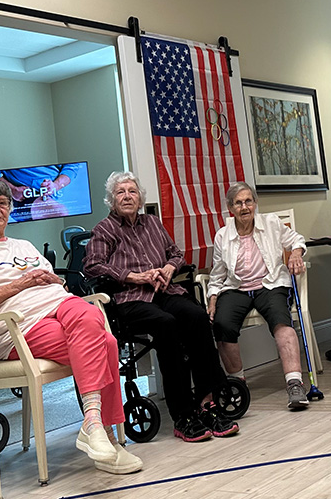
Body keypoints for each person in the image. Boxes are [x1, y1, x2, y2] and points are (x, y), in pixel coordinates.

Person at [0, 179, 142, 476]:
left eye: (3, 203)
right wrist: (18, 285)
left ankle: (94, 424)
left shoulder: (24, 245)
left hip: (59, 307)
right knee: (106, 344)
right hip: (19, 328)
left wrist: (56, 281)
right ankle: (107, 436)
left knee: (91, 318)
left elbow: (55, 281)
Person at [84, 171, 238, 442]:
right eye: (120, 192)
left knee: (197, 315)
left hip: (163, 291)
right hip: (129, 299)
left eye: (132, 191)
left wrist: (168, 267)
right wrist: (133, 276)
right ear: (111, 200)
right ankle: (182, 414)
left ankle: (207, 401)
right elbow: (93, 266)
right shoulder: (104, 230)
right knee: (166, 324)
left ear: (140, 197)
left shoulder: (152, 223)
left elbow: (176, 253)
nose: (127, 196)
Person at [207, 182, 311, 410]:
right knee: (223, 325)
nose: (245, 207)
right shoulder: (222, 236)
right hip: (236, 288)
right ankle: (237, 384)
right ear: (230, 208)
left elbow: (297, 240)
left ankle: (294, 383)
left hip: (270, 284)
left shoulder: (271, 223)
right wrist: (213, 296)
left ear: (255, 203)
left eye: (248, 201)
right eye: (238, 203)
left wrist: (295, 253)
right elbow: (217, 274)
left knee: (281, 321)